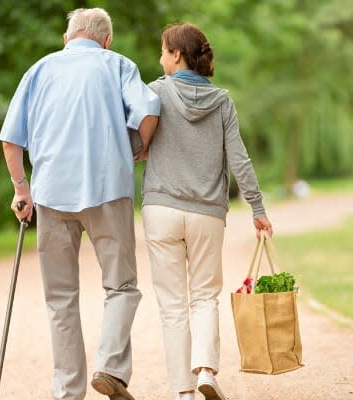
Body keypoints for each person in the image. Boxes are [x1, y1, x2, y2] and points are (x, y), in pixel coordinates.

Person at [0, 8, 159, 400]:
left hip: (52, 193)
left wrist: (22, 189)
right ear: (106, 39)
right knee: (121, 286)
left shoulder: (39, 70)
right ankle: (110, 367)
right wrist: (138, 147)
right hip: (107, 189)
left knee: (60, 298)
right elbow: (150, 110)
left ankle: (68, 392)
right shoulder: (117, 64)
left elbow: (11, 139)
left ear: (68, 37)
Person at [141, 23, 273, 400]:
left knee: (172, 305)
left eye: (164, 51)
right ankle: (205, 372)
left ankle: (183, 392)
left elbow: (137, 142)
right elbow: (240, 160)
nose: (160, 58)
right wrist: (257, 207)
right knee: (203, 296)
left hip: (162, 208)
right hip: (207, 214)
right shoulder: (223, 101)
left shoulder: (156, 93)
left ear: (178, 55)